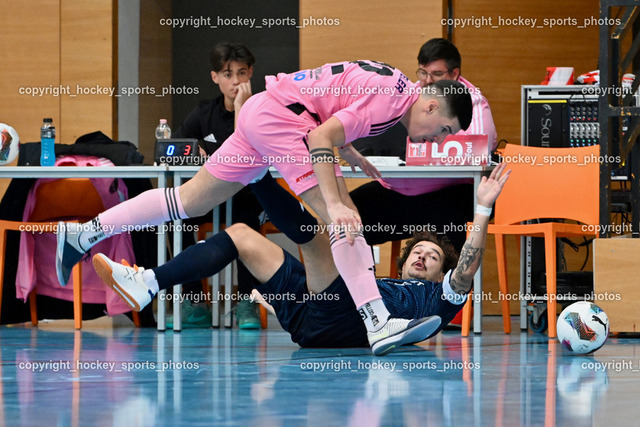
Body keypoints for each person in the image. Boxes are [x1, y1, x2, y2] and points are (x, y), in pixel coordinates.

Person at [56, 58, 473, 354]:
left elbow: (335, 112)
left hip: (261, 113)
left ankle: (90, 237)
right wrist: (333, 201)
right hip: (283, 121)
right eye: (444, 129)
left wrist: (352, 155)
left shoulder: (396, 90)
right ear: (432, 105)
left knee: (188, 199)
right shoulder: (391, 103)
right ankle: (378, 322)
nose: (438, 140)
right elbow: (319, 137)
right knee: (346, 220)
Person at [92, 163, 510, 355]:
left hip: (343, 322)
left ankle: (255, 169)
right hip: (311, 319)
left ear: (441, 273)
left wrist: (483, 208)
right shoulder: (375, 281)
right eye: (418, 251)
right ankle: (147, 283)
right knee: (241, 235)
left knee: (320, 241)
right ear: (400, 262)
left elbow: (469, 264)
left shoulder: (439, 299)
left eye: (432, 257)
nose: (422, 257)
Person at [351, 38, 497, 252]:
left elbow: (478, 150)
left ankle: (450, 275)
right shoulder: (407, 94)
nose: (427, 81)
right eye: (423, 73)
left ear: (454, 74)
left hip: (446, 193)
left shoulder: (470, 102)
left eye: (436, 74)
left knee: (450, 213)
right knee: (349, 214)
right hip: (396, 193)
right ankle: (360, 274)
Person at [173, 41, 263, 329]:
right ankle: (195, 301)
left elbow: (248, 150)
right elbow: (175, 145)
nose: (235, 81)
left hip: (249, 195)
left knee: (246, 224)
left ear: (251, 73)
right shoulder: (204, 112)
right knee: (177, 219)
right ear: (215, 77)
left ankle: (247, 301)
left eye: (241, 73)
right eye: (227, 74)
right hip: (212, 196)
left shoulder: (263, 110)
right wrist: (192, 150)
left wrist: (240, 109)